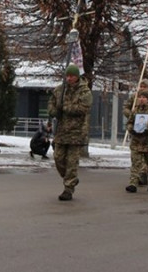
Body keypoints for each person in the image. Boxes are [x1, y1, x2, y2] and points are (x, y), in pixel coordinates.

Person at [47, 63, 93, 201]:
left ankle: (68, 188)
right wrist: (55, 111)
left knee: (72, 162)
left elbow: (83, 108)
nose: (69, 78)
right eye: (67, 75)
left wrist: (65, 107)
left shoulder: (84, 91)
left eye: (72, 76)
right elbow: (51, 104)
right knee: (58, 158)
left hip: (77, 132)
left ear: (77, 76)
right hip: (62, 131)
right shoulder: (60, 90)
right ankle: (70, 178)